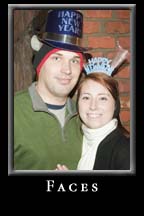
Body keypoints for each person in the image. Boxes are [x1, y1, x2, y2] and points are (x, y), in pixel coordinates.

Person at [14, 9, 90, 170]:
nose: (67, 70)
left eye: (75, 61)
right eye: (57, 58)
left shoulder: (86, 115)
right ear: (40, 65)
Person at [56, 56, 130, 171]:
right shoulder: (75, 140)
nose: (93, 106)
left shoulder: (126, 151)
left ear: (115, 105)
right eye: (86, 97)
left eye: (102, 98)